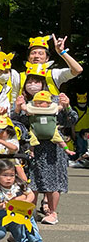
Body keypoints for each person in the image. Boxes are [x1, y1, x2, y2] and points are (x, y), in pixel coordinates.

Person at [12, 85, 77, 225]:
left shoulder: (55, 102)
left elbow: (71, 120)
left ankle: (53, 212)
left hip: (54, 150)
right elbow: (16, 123)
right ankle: (30, 212)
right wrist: (17, 108)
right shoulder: (26, 104)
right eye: (30, 81)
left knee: (53, 182)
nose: (33, 85)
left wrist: (67, 106)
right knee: (32, 183)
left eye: (37, 81)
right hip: (34, 150)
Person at [0, 159, 60, 242]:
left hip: (15, 211)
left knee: (26, 217)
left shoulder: (17, 185)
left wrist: (25, 202)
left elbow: (30, 194)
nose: (9, 178)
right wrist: (2, 205)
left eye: (12, 175)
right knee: (18, 218)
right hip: (0, 214)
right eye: (5, 175)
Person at [10, 35, 83, 102]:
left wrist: (61, 52)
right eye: (33, 53)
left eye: (41, 53)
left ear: (47, 58)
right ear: (28, 58)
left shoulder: (54, 74)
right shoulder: (19, 77)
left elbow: (77, 70)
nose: (36, 56)